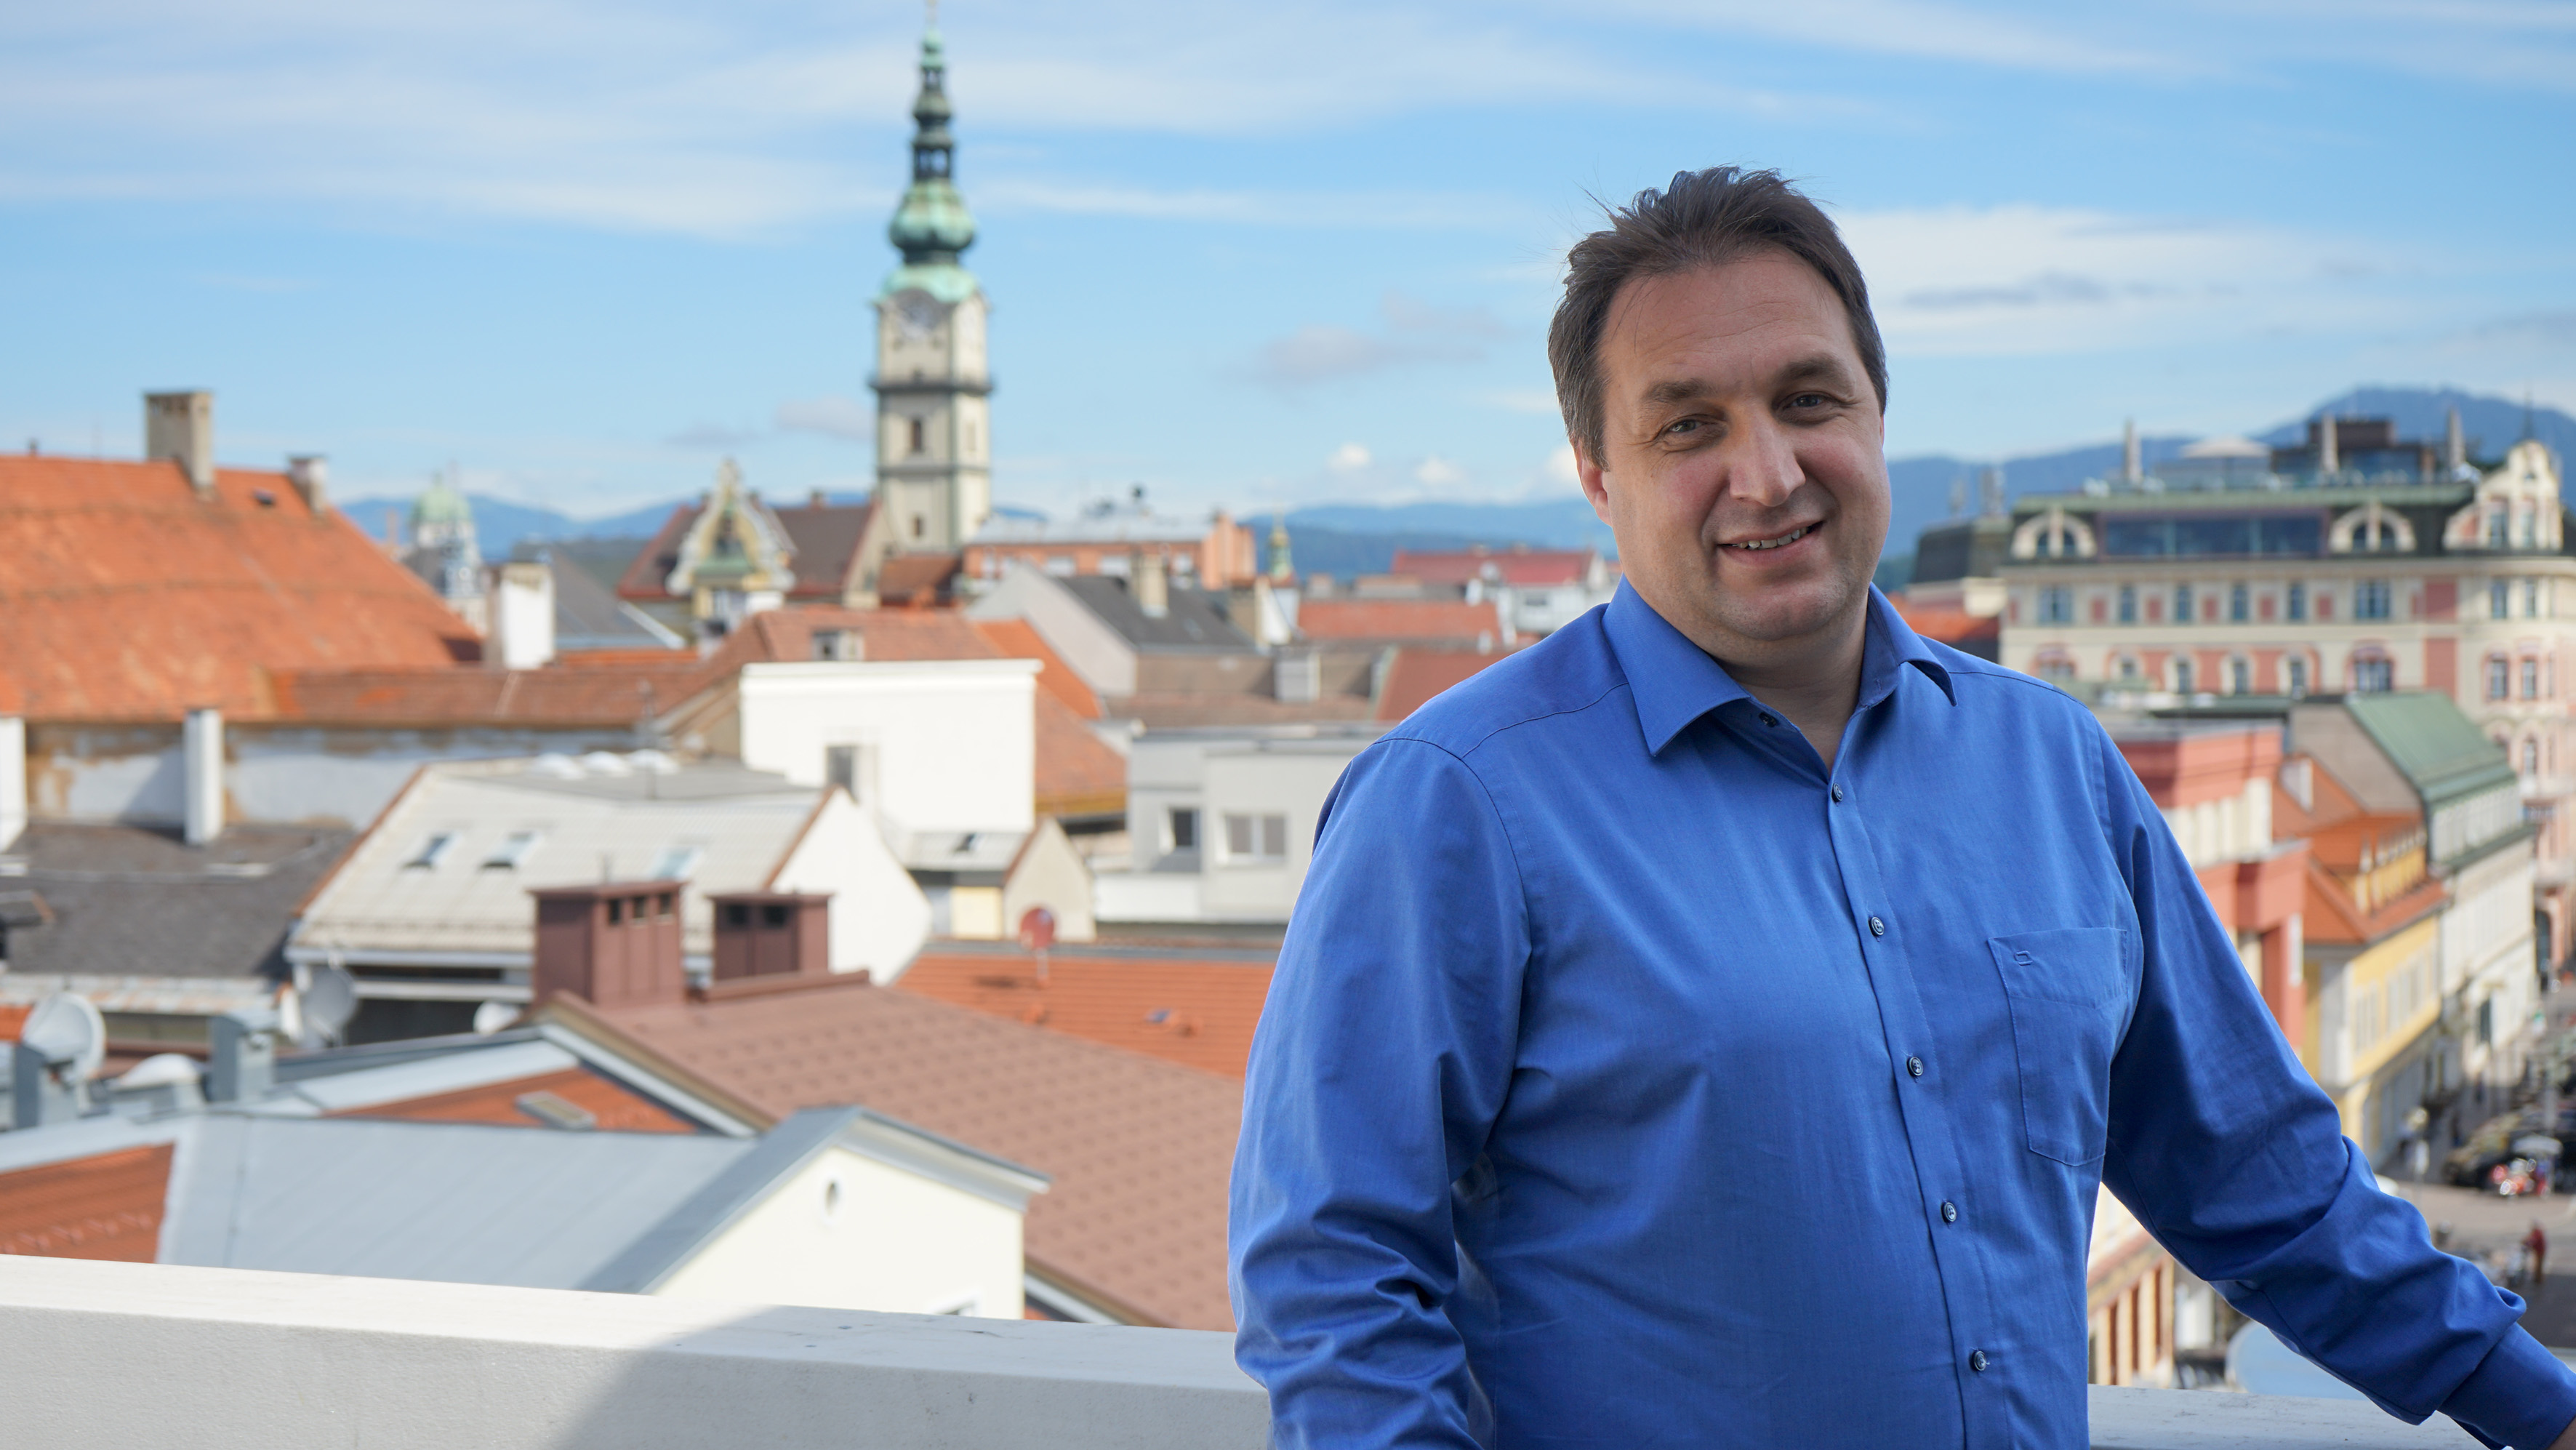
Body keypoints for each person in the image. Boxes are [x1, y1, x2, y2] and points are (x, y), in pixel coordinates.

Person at [1227, 167, 2576, 1449]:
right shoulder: (1459, 799)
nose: (1766, 474)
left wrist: (2539, 1404)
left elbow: (2257, 1178)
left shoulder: (2051, 763)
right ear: (1597, 471)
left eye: (1808, 399)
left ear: (1878, 412)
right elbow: (1335, 1272)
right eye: (1687, 423)